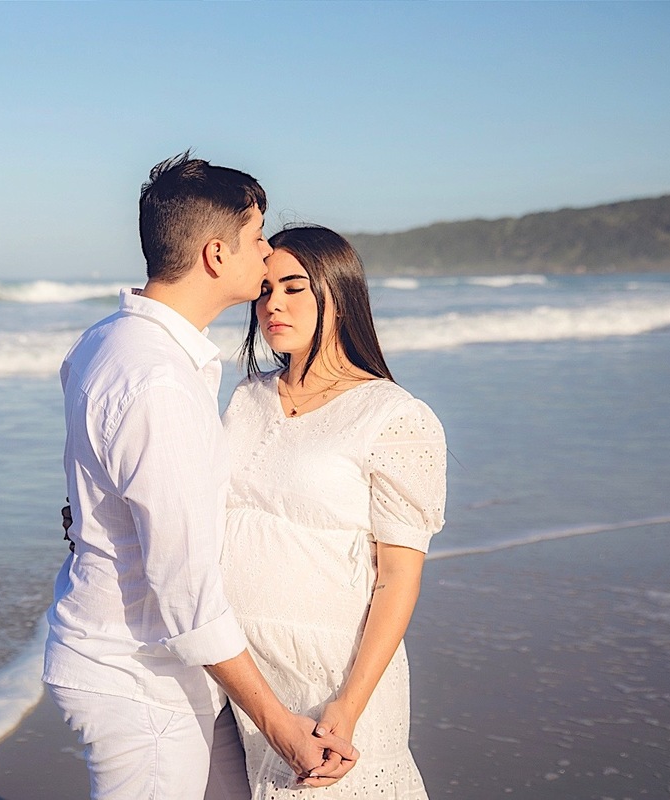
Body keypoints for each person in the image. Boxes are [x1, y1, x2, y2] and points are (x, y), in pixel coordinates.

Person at [43, 155, 358, 800]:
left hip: (153, 663)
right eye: (257, 236)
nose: (267, 253)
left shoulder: (107, 340)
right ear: (217, 254)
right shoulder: (158, 378)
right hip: (138, 676)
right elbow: (184, 588)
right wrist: (280, 724)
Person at [218, 225, 446, 797]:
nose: (273, 305)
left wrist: (348, 705)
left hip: (333, 676)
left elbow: (398, 580)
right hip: (242, 674)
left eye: (294, 288)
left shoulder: (395, 416)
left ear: (337, 294)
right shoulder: (247, 399)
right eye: (265, 289)